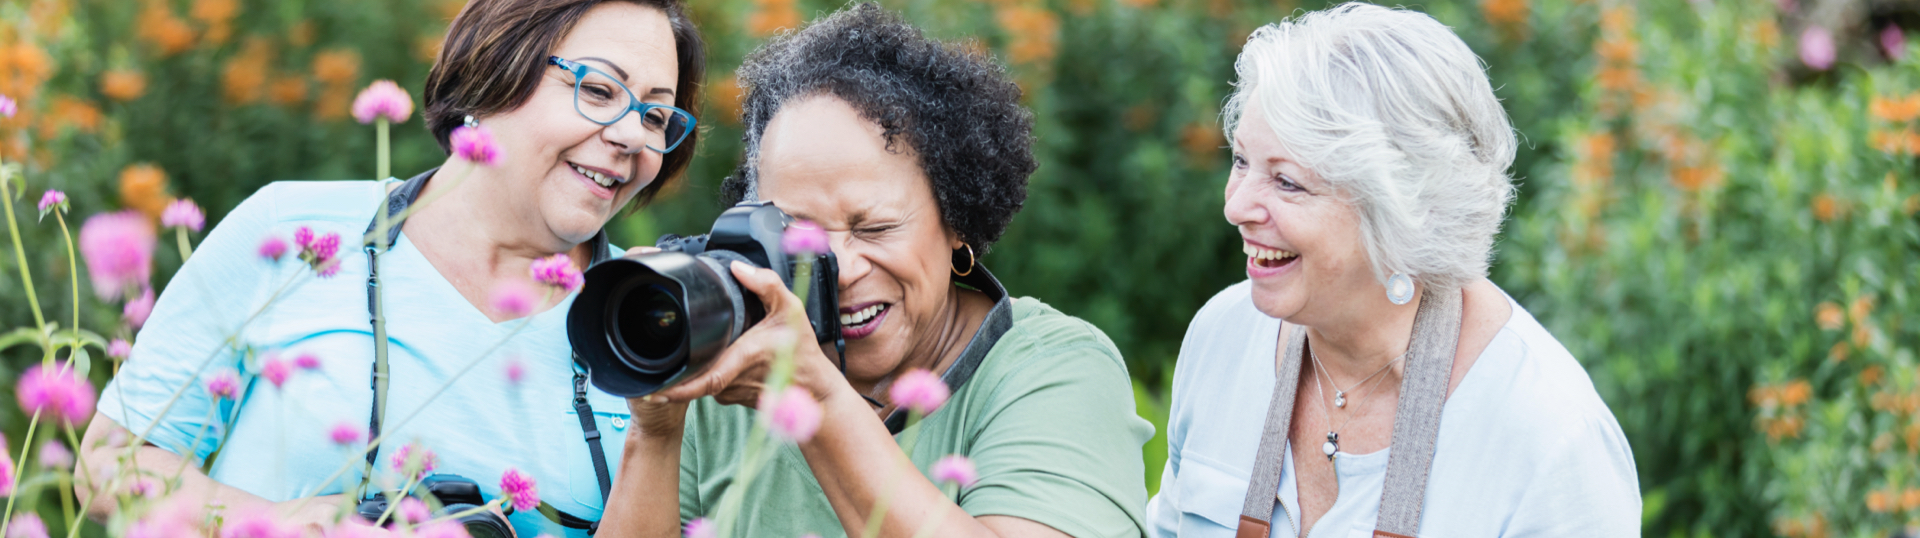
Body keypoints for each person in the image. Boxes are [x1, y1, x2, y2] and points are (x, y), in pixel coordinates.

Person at [77, 1, 704, 536]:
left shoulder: (650, 319)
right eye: (598, 90)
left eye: (655, 116)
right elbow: (109, 464)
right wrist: (291, 524)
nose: (630, 136)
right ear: (496, 71)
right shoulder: (292, 232)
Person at [595, 4, 1153, 538]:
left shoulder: (1052, 367)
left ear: (957, 219)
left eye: (874, 228)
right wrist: (656, 431)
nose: (838, 269)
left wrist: (815, 400)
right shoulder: (732, 361)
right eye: (798, 232)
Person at [1144, 4, 1640, 537]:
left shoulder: (1550, 441)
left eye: (1287, 182)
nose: (1236, 206)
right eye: (1241, 161)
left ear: (1405, 213)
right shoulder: (1224, 336)